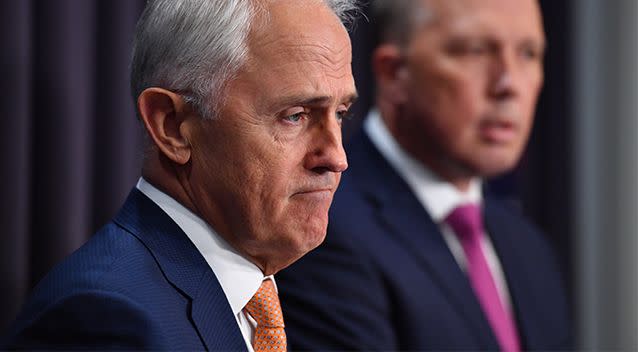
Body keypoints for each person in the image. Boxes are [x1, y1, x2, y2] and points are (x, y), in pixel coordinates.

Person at [1, 0, 357, 350]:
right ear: (171, 126)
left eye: (340, 113)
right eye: (294, 115)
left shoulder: (256, 296)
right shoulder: (105, 319)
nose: (336, 157)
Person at [276, 0, 571, 350]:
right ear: (393, 73)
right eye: (476, 51)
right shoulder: (321, 228)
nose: (509, 84)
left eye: (528, 53)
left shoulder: (527, 245)